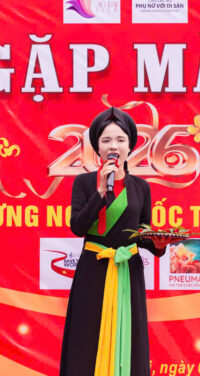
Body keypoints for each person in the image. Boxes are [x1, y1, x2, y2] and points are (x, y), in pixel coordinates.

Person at [60, 107, 166, 376]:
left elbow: (142, 231)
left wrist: (158, 244)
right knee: (87, 335)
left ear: (130, 146)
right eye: (106, 140)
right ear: (97, 147)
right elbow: (77, 227)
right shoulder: (84, 183)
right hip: (93, 269)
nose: (113, 146)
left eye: (120, 140)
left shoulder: (141, 187)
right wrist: (99, 192)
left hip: (128, 270)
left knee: (128, 334)